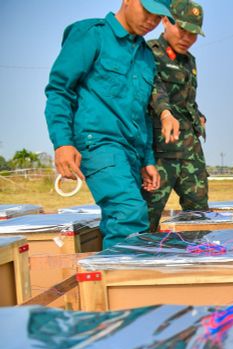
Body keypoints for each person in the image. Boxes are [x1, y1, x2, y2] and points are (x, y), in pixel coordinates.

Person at [45, 0, 175, 248]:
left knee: (124, 219)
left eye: (158, 17)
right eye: (148, 11)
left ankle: (107, 282)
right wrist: (62, 143)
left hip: (131, 151)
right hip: (98, 143)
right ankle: (125, 284)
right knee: (129, 213)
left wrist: (147, 159)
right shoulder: (92, 34)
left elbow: (141, 112)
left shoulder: (146, 55)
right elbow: (60, 91)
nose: (152, 21)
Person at [143, 0, 209, 232]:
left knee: (199, 214)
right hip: (162, 151)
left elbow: (186, 100)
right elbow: (154, 89)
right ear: (165, 21)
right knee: (149, 215)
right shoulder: (149, 53)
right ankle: (141, 264)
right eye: (183, 30)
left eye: (193, 34)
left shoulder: (189, 61)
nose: (187, 38)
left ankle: (199, 260)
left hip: (190, 150)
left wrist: (198, 114)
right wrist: (165, 112)